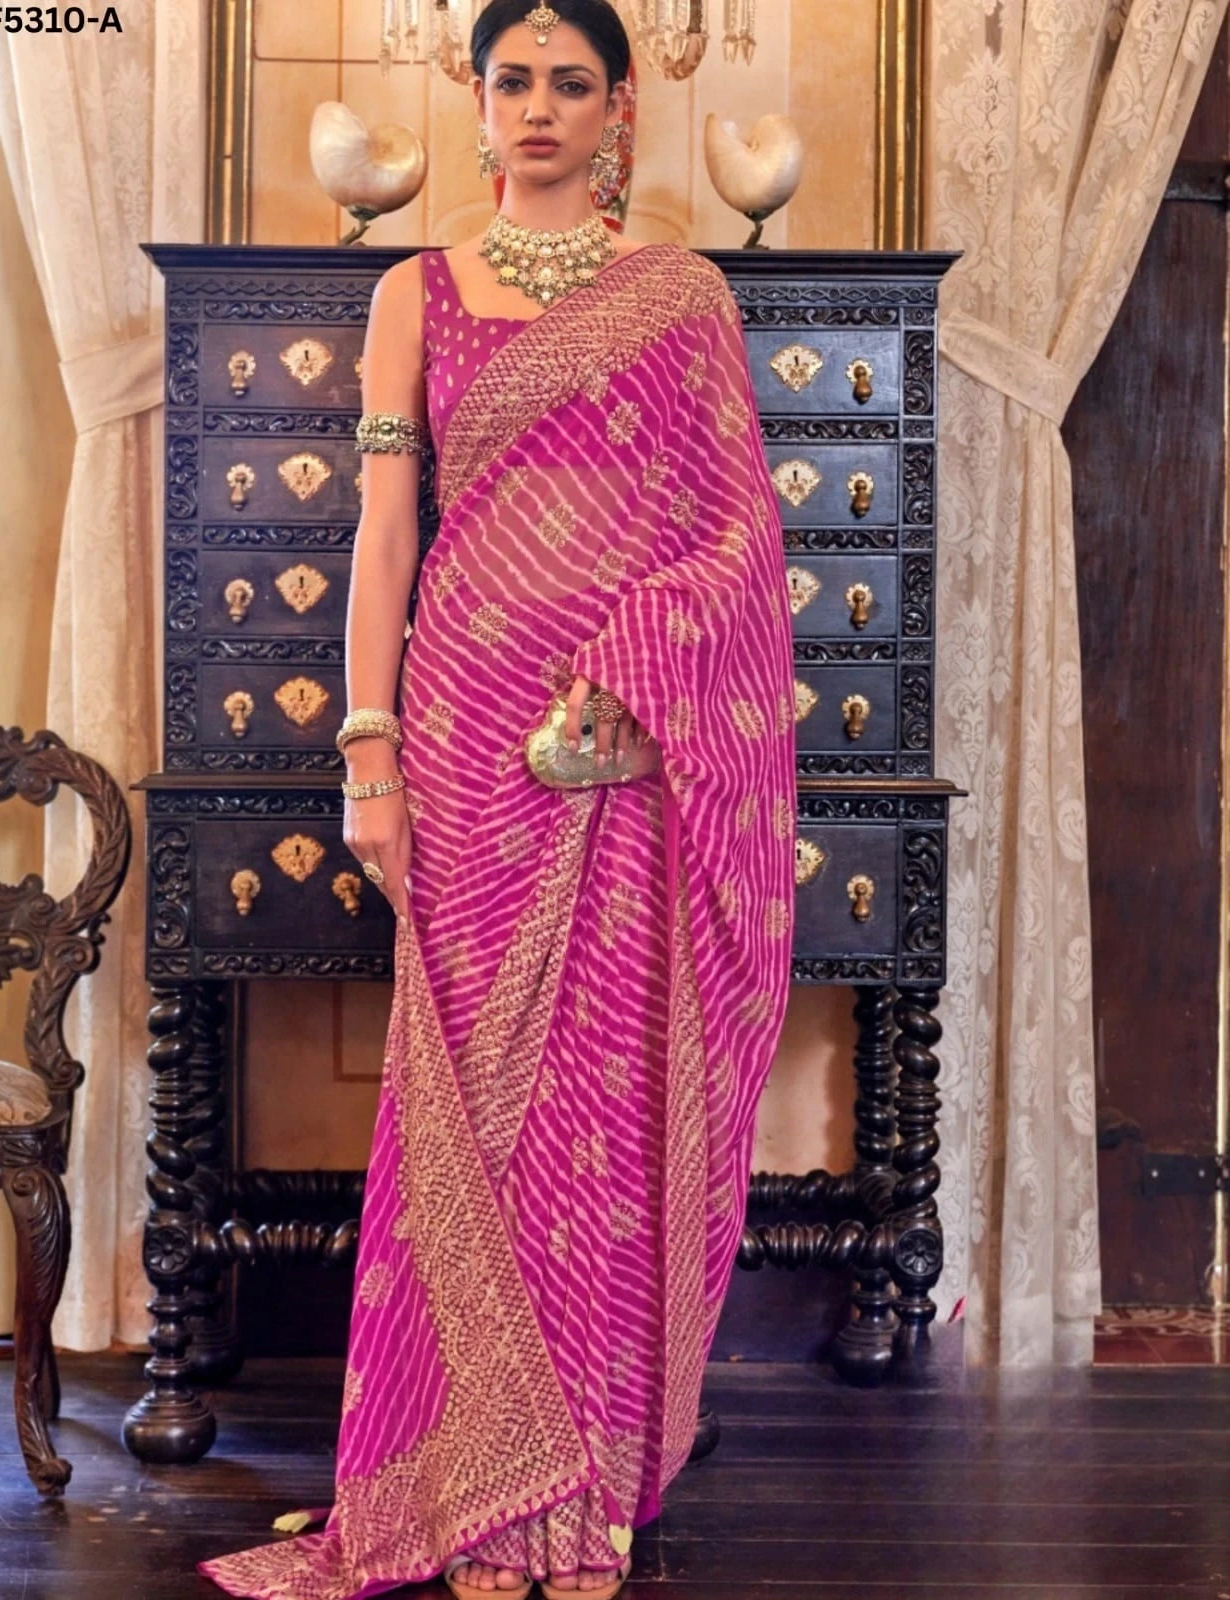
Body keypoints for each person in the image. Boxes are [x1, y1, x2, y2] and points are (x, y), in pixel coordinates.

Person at [199, 2, 795, 1597]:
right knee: (472, 1102)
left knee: (603, 1103)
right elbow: (387, 534)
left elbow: (739, 533)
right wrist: (370, 753)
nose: (539, 107)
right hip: (469, 729)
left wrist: (639, 666)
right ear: (477, 100)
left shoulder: (680, 295)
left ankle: (580, 1494)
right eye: (513, 80)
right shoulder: (415, 292)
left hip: (627, 736)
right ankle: (474, 1488)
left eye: (570, 84)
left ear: (618, 109)